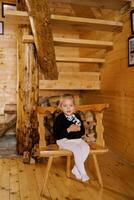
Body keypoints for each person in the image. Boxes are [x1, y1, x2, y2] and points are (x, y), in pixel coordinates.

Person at [53, 94, 90, 182]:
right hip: (64, 140)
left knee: (86, 147)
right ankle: (83, 173)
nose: (68, 108)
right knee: (77, 149)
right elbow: (57, 135)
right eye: (65, 106)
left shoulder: (77, 117)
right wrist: (68, 130)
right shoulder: (59, 118)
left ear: (74, 107)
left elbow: (82, 132)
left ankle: (76, 169)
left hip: (77, 140)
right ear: (61, 107)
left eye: (70, 105)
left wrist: (79, 128)